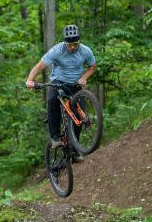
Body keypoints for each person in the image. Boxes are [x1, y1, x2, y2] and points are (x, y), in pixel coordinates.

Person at [24, 24, 97, 158]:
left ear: (79, 41)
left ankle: (75, 148)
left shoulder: (86, 51)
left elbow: (92, 66)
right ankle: (55, 138)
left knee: (79, 116)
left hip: (76, 85)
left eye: (75, 44)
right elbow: (39, 66)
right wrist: (30, 80)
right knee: (52, 101)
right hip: (58, 83)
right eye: (70, 45)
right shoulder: (56, 51)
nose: (73, 47)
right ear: (65, 42)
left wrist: (84, 77)